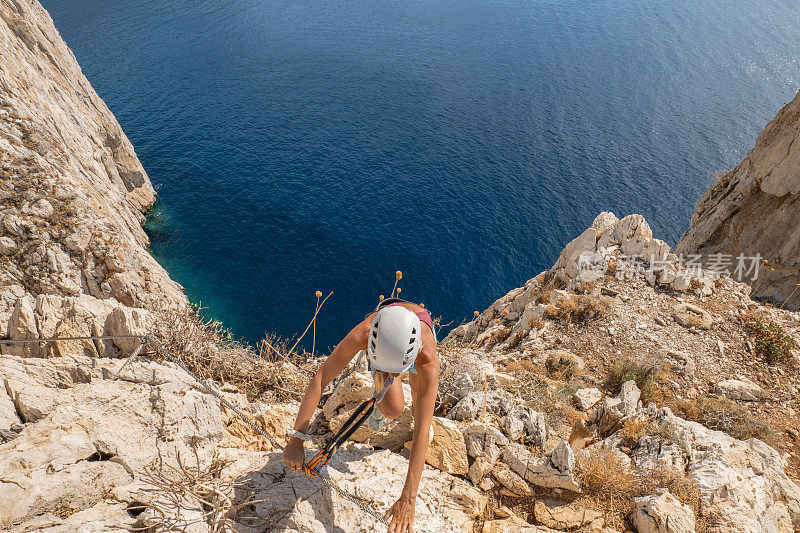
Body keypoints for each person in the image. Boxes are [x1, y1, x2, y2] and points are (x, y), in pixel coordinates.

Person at [282, 298, 440, 533]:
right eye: (385, 369)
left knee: (409, 411)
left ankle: (387, 381)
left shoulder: (426, 358)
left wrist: (408, 498)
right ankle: (380, 387)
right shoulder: (364, 334)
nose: (389, 374)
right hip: (388, 341)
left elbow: (422, 428)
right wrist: (296, 439)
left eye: (393, 371)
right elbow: (320, 378)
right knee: (392, 409)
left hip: (410, 345)